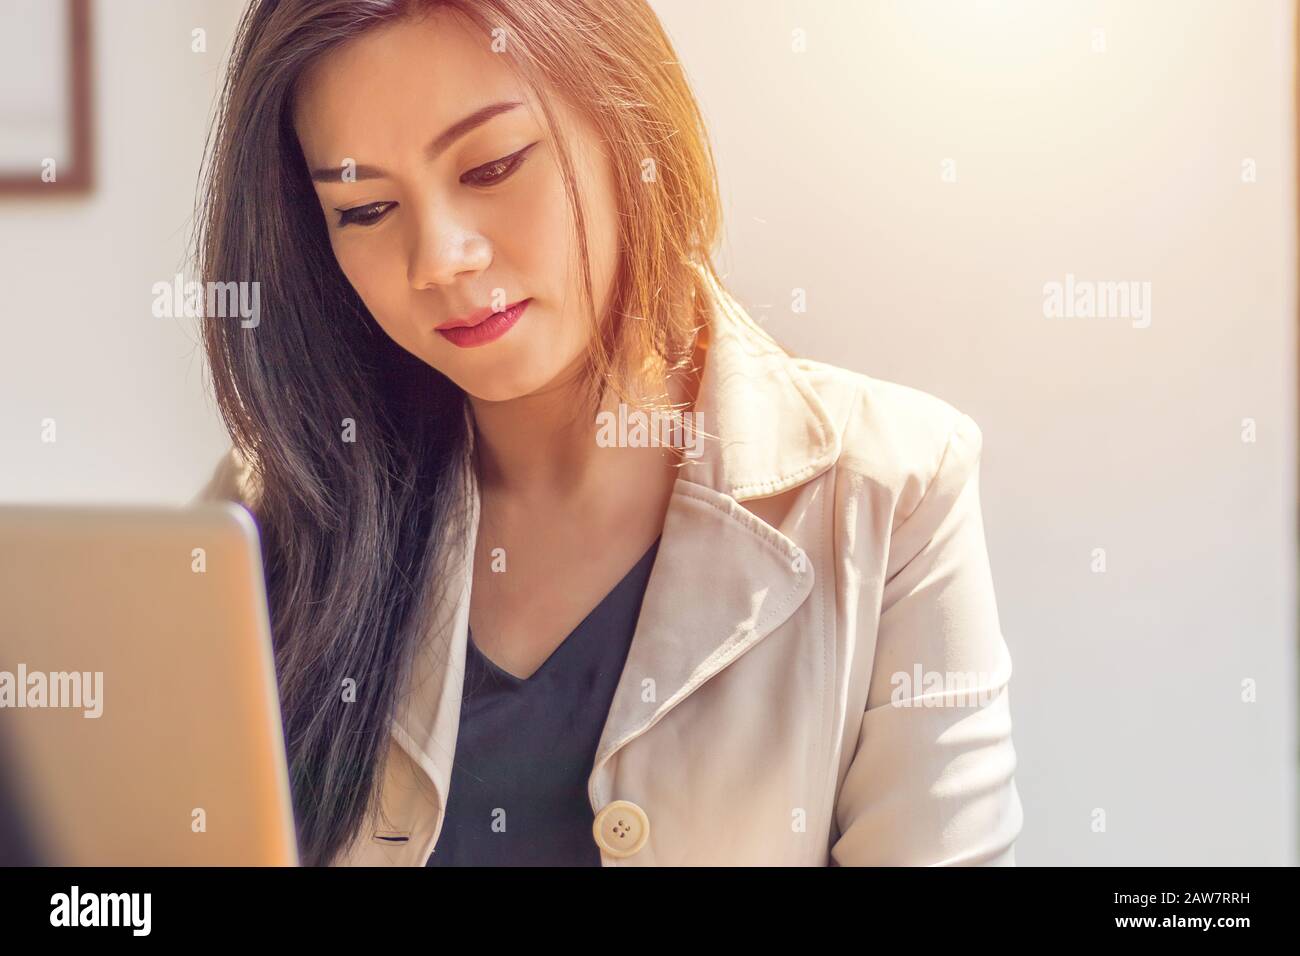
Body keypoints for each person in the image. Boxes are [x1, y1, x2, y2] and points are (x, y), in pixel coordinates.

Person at [192, 0, 1024, 866]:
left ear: (633, 125)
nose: (439, 257)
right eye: (364, 209)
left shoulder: (892, 492)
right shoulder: (269, 516)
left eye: (493, 165)